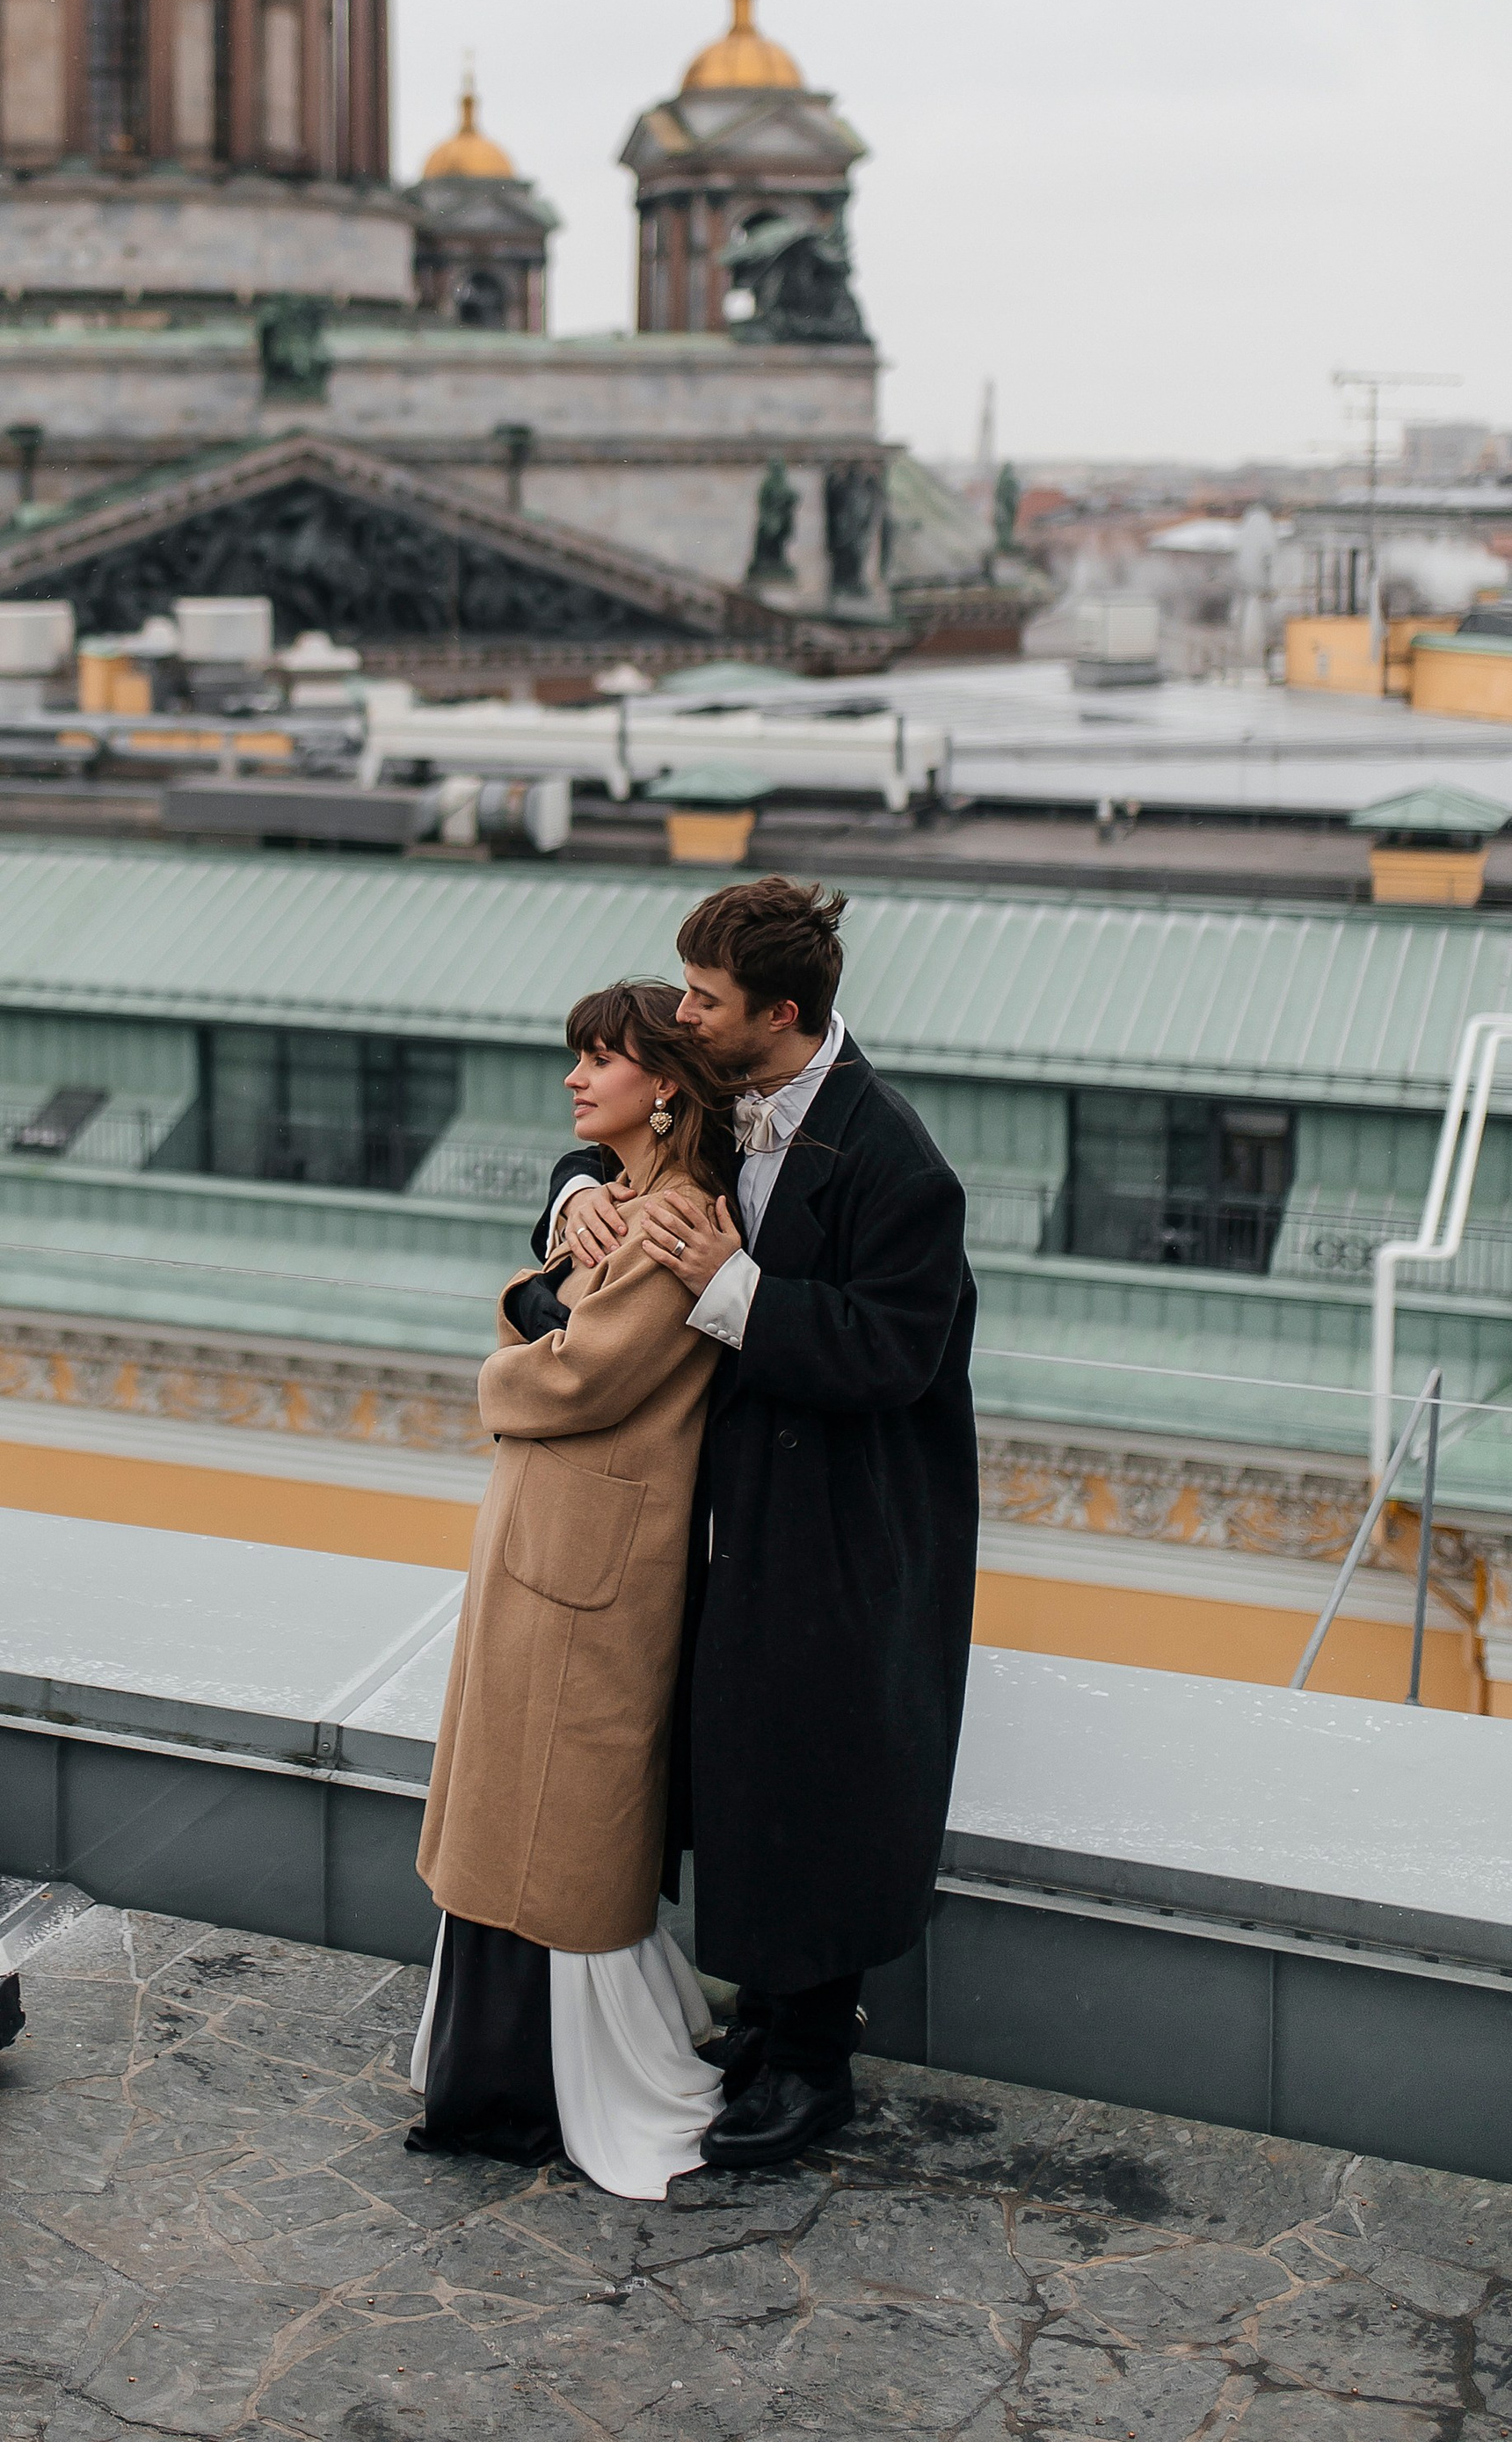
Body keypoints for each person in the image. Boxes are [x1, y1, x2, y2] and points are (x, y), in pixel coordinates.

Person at [537, 876, 978, 2173]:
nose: (682, 1016)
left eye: (705, 999)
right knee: (745, 1764)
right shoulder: (729, 1092)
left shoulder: (901, 1163)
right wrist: (576, 1195)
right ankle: (771, 2024)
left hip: (848, 1530)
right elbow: (614, 1132)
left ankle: (813, 2065)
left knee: (821, 1775)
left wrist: (728, 1285)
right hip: (743, 1512)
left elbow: (893, 1354)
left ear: (779, 1015)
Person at [409, 981, 738, 2197]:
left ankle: (538, 2081)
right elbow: (552, 1306)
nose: (575, 1078)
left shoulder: (673, 1219)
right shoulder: (624, 1199)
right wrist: (543, 1276)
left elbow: (575, 1379)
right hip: (560, 1550)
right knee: (529, 1811)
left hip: (588, 1565)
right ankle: (523, 2067)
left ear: (665, 1086)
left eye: (601, 1059)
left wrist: (503, 1360)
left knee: (557, 1826)